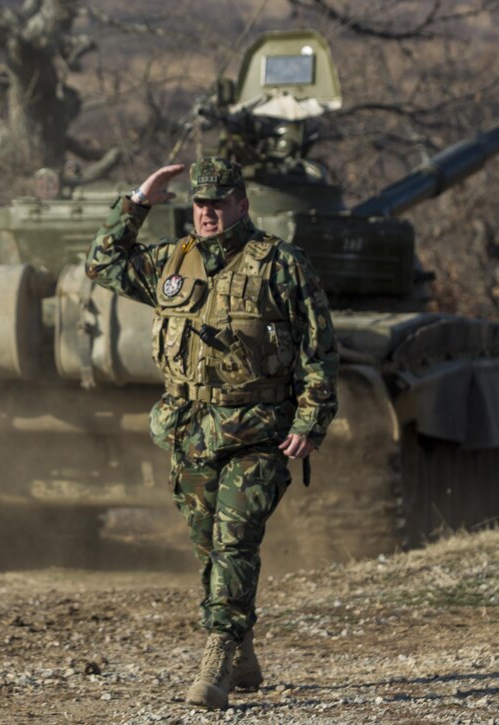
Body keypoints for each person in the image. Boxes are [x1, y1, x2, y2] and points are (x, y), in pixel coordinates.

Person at [85, 157, 339, 709]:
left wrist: (310, 421)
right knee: (208, 547)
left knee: (235, 539)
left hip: (258, 431)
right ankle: (243, 643)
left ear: (242, 205)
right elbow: (102, 264)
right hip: (190, 431)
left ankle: (218, 656)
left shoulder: (281, 265)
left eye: (218, 202)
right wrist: (140, 199)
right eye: (200, 203)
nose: (207, 212)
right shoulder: (173, 262)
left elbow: (319, 352)